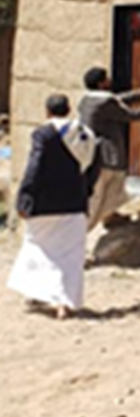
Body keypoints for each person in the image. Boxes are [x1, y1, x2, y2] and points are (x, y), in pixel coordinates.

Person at [7, 94, 97, 319]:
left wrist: (25, 196)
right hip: (74, 203)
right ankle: (63, 304)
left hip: (44, 203)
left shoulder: (44, 135)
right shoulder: (84, 134)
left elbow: (34, 167)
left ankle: (41, 293)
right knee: (70, 255)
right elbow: (94, 166)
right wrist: (87, 189)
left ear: (47, 111)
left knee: (38, 248)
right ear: (68, 110)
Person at [77, 66, 140, 231]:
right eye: (106, 79)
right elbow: (129, 115)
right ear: (101, 83)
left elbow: (116, 100)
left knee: (106, 192)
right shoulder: (105, 102)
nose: (110, 81)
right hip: (107, 156)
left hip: (93, 155)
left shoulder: (86, 100)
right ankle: (81, 233)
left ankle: (109, 216)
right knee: (103, 195)